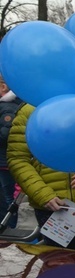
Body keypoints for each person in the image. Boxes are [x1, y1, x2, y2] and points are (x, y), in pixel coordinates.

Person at [7, 104, 75, 251]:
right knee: (57, 260)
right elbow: (18, 159)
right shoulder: (30, 109)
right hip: (53, 206)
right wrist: (43, 195)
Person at [0, 75, 22, 227]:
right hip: (5, 161)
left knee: (10, 198)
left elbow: (6, 134)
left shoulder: (7, 107)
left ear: (3, 87)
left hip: (7, 161)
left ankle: (11, 228)